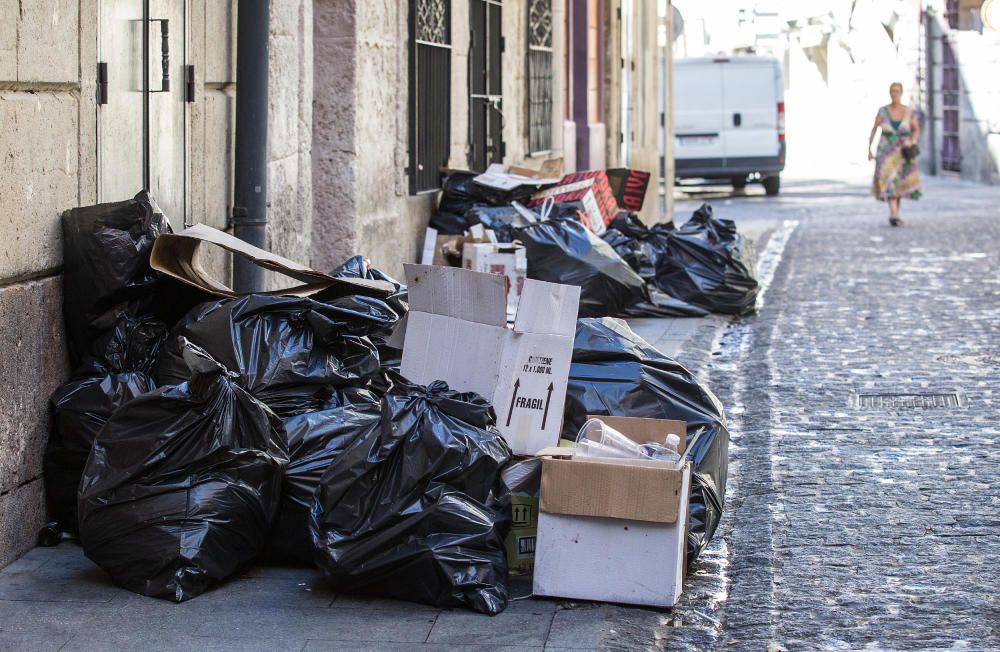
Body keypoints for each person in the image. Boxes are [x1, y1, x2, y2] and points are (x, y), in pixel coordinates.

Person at [868, 82, 923, 226]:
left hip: (902, 153)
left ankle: (895, 213)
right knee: (889, 181)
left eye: (897, 91)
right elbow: (874, 129)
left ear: (901, 93)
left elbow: (916, 129)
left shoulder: (908, 112)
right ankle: (894, 213)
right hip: (886, 152)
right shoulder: (882, 111)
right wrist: (869, 149)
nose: (894, 94)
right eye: (892, 91)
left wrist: (912, 141)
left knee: (899, 183)